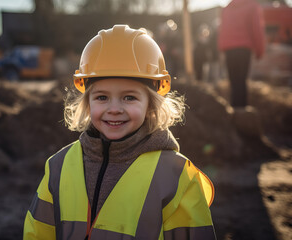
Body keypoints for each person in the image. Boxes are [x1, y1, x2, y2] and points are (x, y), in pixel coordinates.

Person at [23, 25, 216, 240]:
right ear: (87, 103)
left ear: (151, 104)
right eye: (102, 97)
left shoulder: (177, 176)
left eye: (129, 97)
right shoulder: (58, 167)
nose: (114, 109)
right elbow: (38, 233)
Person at [218, 0, 265, 107]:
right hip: (244, 49)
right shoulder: (252, 6)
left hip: (229, 49)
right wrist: (259, 50)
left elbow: (223, 29)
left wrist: (222, 48)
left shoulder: (227, 8)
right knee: (242, 81)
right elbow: (257, 28)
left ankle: (234, 109)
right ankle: (242, 111)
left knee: (234, 82)